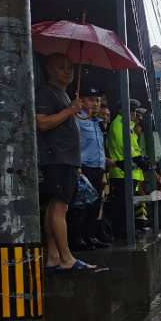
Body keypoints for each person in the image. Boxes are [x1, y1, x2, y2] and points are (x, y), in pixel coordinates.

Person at [34, 53, 97, 272]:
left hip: (66, 159)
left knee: (56, 206)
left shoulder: (63, 94)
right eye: (62, 67)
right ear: (49, 68)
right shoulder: (45, 92)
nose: (68, 71)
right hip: (56, 158)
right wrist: (70, 110)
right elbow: (42, 122)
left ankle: (53, 257)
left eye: (70, 67)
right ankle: (66, 258)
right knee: (59, 206)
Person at [73, 87, 113, 249]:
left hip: (97, 168)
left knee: (95, 205)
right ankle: (78, 238)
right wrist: (77, 165)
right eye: (91, 100)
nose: (95, 104)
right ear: (81, 101)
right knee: (81, 205)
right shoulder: (78, 119)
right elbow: (73, 143)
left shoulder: (96, 123)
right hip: (84, 168)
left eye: (97, 101)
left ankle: (91, 236)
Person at [106, 99, 146, 238]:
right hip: (121, 169)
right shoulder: (119, 124)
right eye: (129, 110)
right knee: (121, 203)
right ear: (120, 110)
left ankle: (127, 228)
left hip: (129, 169)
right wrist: (137, 158)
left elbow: (133, 147)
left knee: (126, 202)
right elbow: (124, 146)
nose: (132, 113)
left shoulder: (128, 125)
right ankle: (121, 229)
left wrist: (139, 157)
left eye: (133, 111)